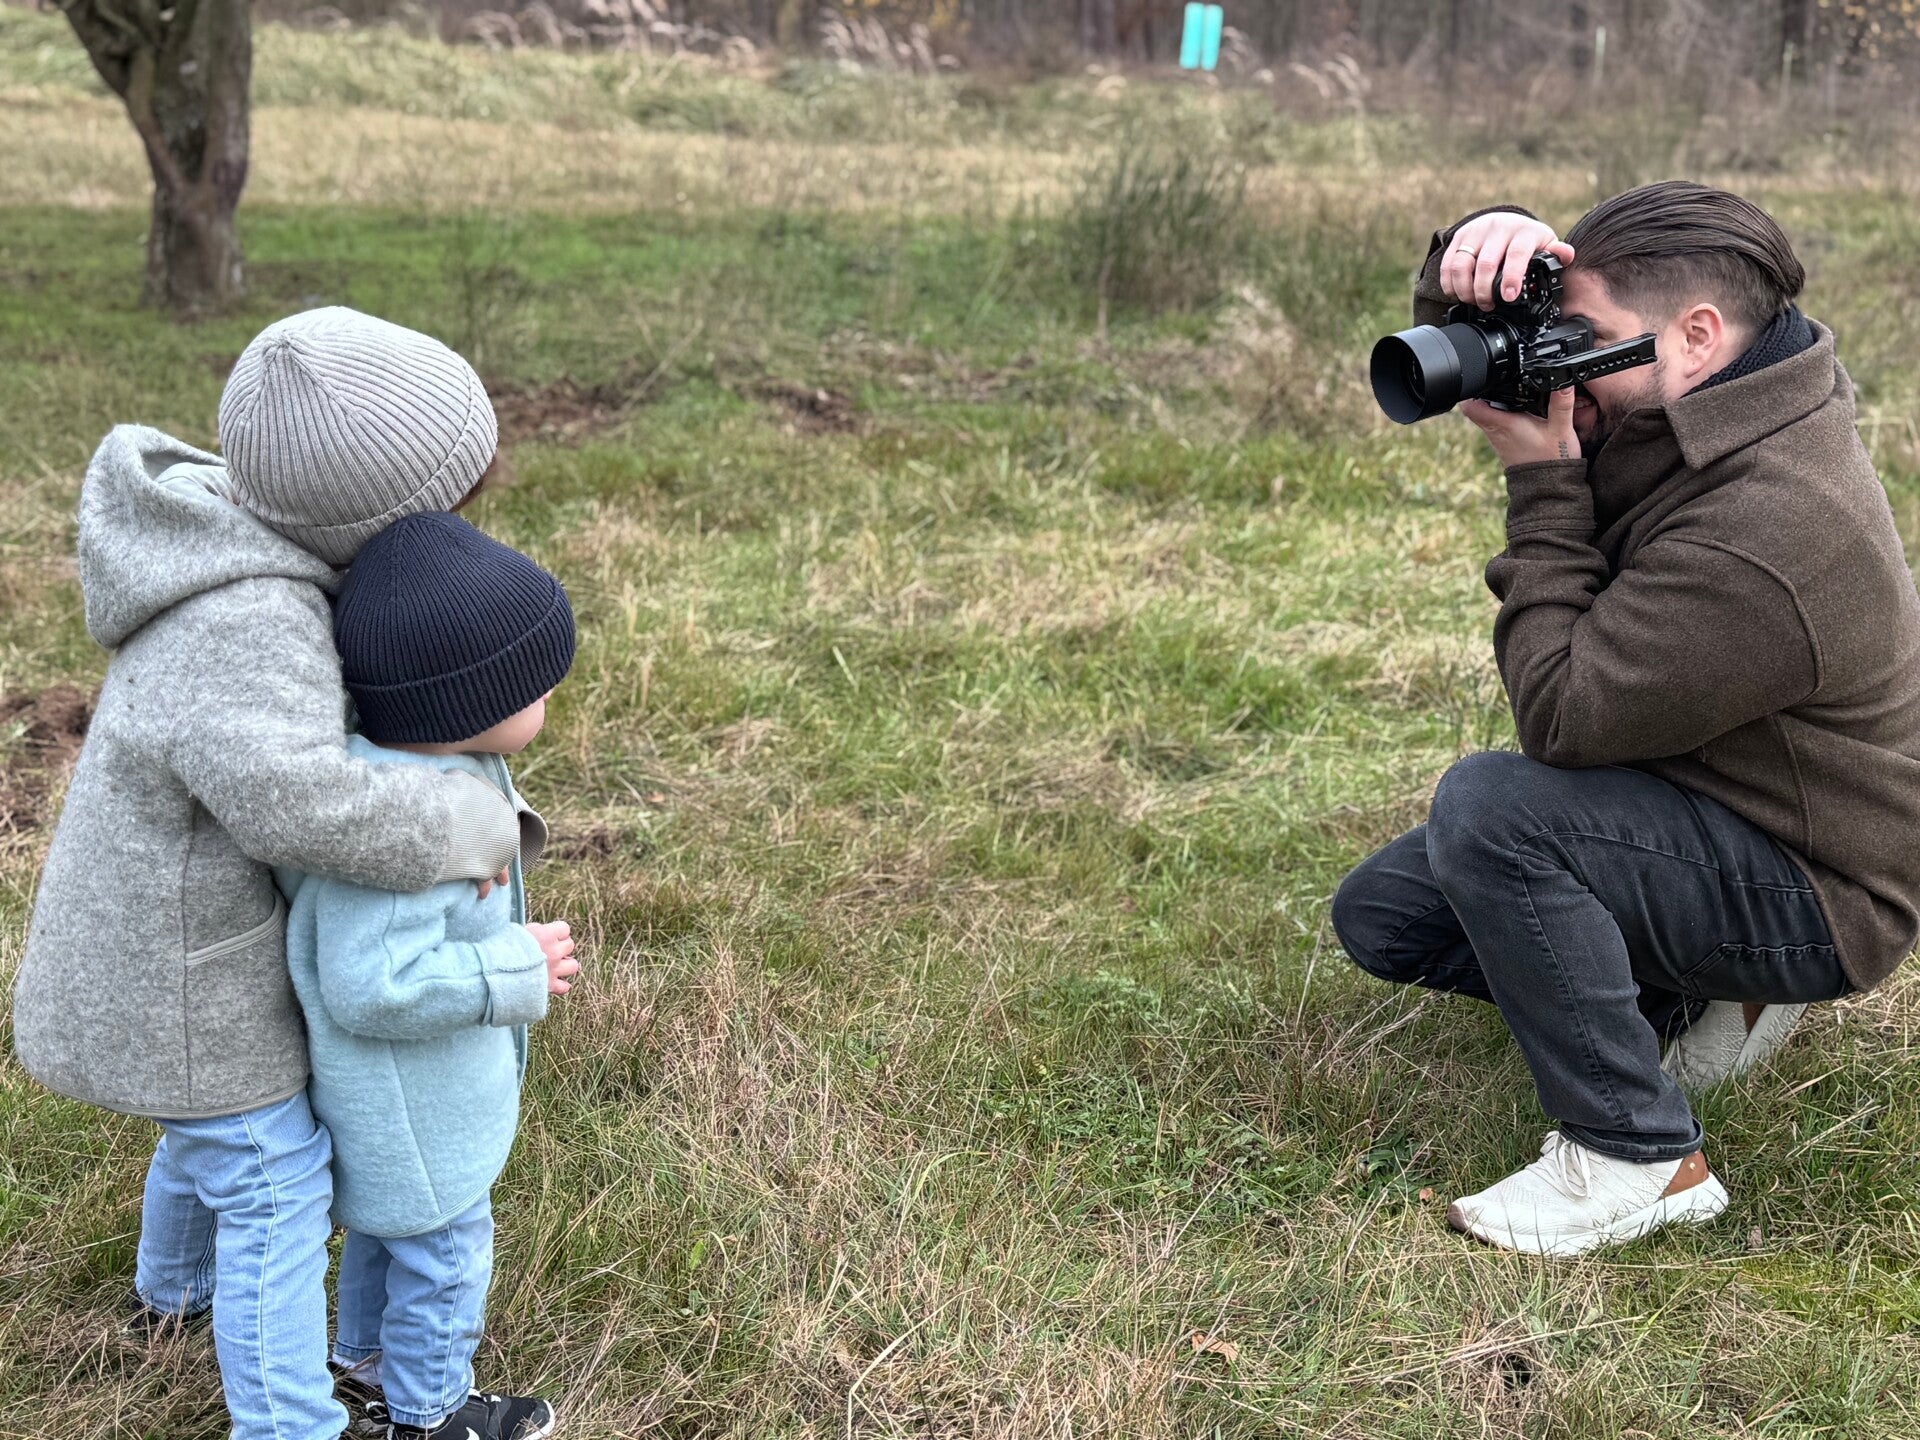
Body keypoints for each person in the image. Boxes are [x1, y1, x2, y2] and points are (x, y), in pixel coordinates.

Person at [1331, 181, 1920, 1255]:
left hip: (1820, 881)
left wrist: (1542, 488)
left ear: (1695, 335)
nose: (1558, 366)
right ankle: (1693, 998)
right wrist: (1474, 261)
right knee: (1388, 917)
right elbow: (1537, 363)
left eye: (1580, 339)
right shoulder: (1722, 390)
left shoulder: (1773, 528)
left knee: (1497, 813)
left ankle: (1636, 1155)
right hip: (1706, 788)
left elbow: (1563, 717)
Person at [12, 308, 525, 1440]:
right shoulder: (250, 618)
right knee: (271, 1182)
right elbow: (297, 801)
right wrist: (462, 821)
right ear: (366, 524)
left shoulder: (228, 544)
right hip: (182, 985)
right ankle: (290, 1423)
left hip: (150, 957)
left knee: (213, 1140)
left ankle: (171, 1298)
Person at [282, 511, 577, 1440]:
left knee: (391, 1235)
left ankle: (365, 1357)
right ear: (462, 704)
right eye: (534, 683)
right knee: (446, 1257)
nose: (550, 693)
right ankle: (429, 1412)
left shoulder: (424, 766)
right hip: (409, 1111)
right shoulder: (395, 834)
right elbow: (371, 982)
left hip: (419, 1100)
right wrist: (510, 968)